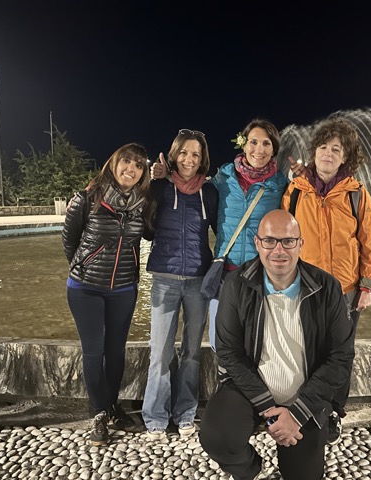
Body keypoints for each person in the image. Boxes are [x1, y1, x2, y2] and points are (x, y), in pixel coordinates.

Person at [199, 210, 353, 480]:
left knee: (303, 475)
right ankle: (252, 471)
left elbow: (340, 356)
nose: (278, 250)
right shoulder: (236, 284)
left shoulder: (327, 287)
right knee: (217, 437)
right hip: (250, 389)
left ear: (300, 244)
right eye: (270, 241)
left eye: (288, 241)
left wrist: (298, 413)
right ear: (257, 243)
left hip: (305, 393)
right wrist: (270, 411)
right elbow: (228, 352)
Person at [281, 116, 371, 445]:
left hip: (345, 290)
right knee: (306, 350)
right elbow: (285, 240)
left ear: (345, 157)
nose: (328, 153)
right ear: (314, 152)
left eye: (336, 149)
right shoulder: (296, 191)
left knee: (340, 354)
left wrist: (367, 286)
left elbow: (369, 241)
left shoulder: (356, 194)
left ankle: (335, 410)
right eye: (323, 147)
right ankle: (308, 407)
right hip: (307, 288)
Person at [151, 118, 290, 350]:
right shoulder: (224, 177)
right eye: (254, 142)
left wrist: (308, 175)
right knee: (220, 342)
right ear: (243, 144)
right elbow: (191, 185)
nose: (259, 149)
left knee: (258, 343)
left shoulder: (281, 184)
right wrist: (167, 175)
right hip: (225, 273)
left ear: (274, 149)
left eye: (266, 144)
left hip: (261, 274)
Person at [62, 142, 154, 446]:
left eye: (138, 165)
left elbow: (152, 233)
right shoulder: (87, 198)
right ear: (113, 163)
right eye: (126, 161)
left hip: (124, 288)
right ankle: (98, 413)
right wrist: (85, 266)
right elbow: (69, 242)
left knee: (116, 351)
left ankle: (112, 406)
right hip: (86, 288)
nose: (131, 168)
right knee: (94, 351)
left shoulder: (142, 204)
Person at [142, 129, 218, 440]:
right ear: (174, 154)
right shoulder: (160, 187)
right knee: (160, 352)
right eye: (184, 152)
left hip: (198, 279)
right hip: (165, 279)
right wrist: (151, 181)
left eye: (196, 154)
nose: (189, 159)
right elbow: (146, 230)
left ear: (202, 159)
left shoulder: (209, 193)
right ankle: (155, 417)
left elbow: (222, 229)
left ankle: (185, 412)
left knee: (191, 352)